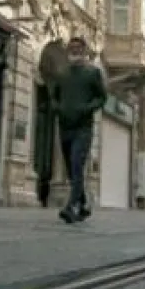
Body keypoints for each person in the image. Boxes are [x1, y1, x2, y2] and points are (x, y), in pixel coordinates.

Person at [55, 36, 107, 224]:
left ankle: (71, 207)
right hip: (64, 127)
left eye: (78, 47)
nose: (74, 50)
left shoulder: (92, 73)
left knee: (77, 165)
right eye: (71, 47)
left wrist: (86, 108)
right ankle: (84, 205)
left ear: (84, 51)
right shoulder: (62, 73)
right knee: (71, 170)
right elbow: (54, 96)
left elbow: (102, 98)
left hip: (83, 128)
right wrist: (58, 108)